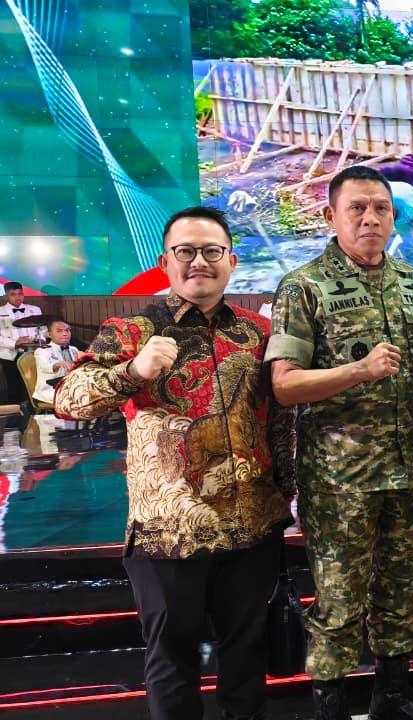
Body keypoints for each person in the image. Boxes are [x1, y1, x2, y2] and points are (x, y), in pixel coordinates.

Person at [54, 206, 295, 720]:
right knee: (171, 661)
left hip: (253, 526)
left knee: (247, 656)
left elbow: (278, 423)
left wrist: (289, 498)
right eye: (186, 251)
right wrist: (132, 371)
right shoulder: (130, 330)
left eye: (211, 251)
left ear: (231, 261)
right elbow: (68, 400)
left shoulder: (258, 332)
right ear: (165, 261)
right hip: (168, 531)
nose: (199, 262)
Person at [266, 165, 413, 720]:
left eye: (381, 209)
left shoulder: (409, 281)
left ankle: (392, 697)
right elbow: (284, 386)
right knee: (340, 599)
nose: (371, 218)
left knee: (404, 587)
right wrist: (358, 371)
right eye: (357, 208)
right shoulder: (304, 286)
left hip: (407, 469)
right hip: (340, 479)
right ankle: (330, 708)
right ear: (332, 215)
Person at [0, 281, 43, 404]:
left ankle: (33, 409)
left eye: (20, 294)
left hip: (32, 352)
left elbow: (43, 330)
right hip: (9, 354)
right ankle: (15, 412)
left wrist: (36, 339)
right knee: (13, 386)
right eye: (13, 294)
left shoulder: (35, 310)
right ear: (6, 296)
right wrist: (15, 342)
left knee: (32, 383)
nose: (17, 297)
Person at [32, 319, 79, 408]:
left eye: (67, 330)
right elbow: (44, 367)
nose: (65, 334)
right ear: (49, 334)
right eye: (59, 331)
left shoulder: (74, 350)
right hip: (49, 390)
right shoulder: (42, 351)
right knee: (80, 398)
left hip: (71, 387)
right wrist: (58, 364)